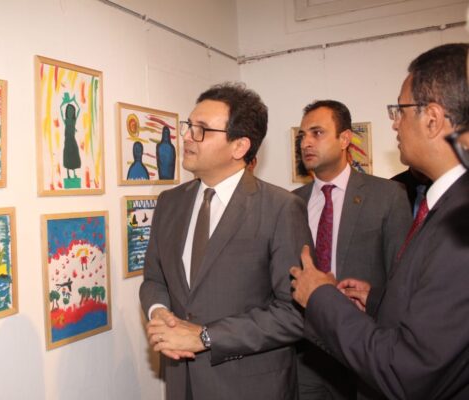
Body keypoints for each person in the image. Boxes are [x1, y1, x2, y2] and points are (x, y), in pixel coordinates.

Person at [290, 43, 469, 400]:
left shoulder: (457, 224)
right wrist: (377, 300)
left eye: (400, 110)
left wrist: (321, 296)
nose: (395, 122)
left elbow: (406, 372)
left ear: (433, 119)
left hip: (369, 358)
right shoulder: (445, 207)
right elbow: (433, 306)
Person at [140, 82, 313, 400]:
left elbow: (294, 314)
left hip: (249, 387)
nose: (187, 136)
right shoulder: (169, 203)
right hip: (182, 383)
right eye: (188, 125)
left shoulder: (280, 208)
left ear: (239, 146)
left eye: (201, 129)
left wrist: (206, 337)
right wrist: (158, 311)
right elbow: (154, 278)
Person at [293, 100, 412, 399]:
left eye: (317, 133)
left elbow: (402, 279)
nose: (306, 143)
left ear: (345, 138)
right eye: (302, 135)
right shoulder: (291, 203)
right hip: (306, 352)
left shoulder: (387, 196)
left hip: (365, 347)